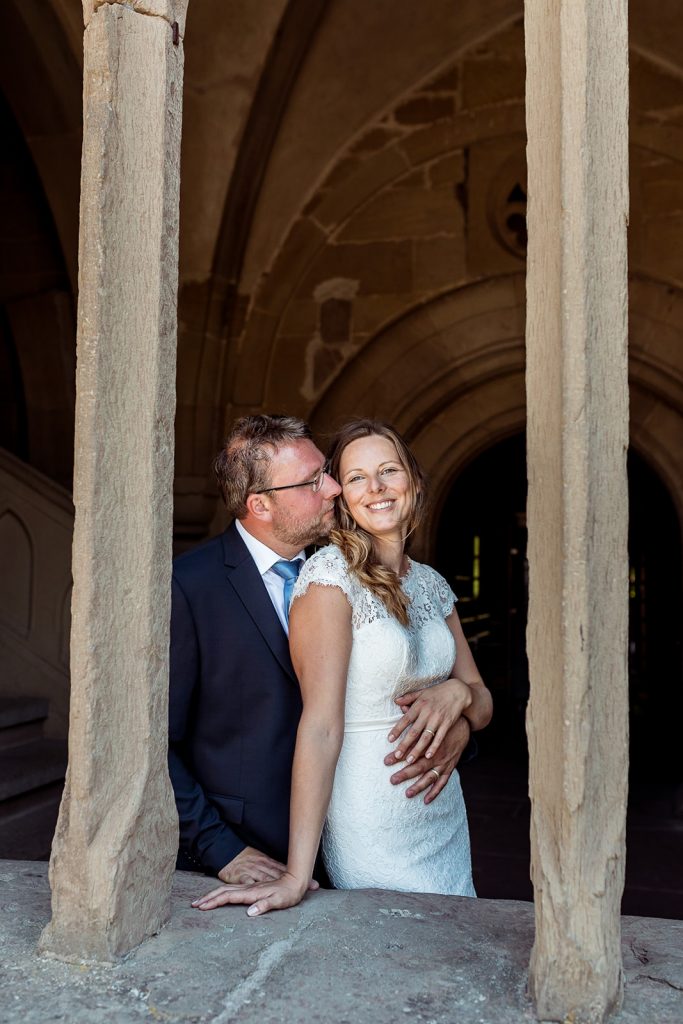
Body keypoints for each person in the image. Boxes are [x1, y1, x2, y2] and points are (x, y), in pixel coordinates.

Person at [193, 419, 492, 914]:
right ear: (345, 498)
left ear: (413, 481)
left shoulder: (433, 584)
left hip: (440, 813)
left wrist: (458, 698)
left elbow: (482, 698)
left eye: (388, 471)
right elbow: (320, 727)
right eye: (355, 478)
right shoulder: (330, 577)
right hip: (370, 813)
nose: (375, 488)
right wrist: (296, 874)